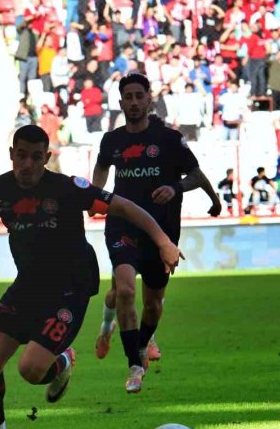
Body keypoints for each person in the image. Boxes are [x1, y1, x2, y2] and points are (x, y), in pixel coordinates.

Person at [0, 125, 182, 429]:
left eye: (36, 157)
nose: (28, 164)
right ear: (11, 155)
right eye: (21, 156)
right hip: (29, 284)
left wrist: (163, 242)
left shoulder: (66, 188)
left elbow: (125, 207)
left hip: (70, 285)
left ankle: (60, 360)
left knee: (31, 371)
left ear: (46, 158)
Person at [92, 74, 221, 393]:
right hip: (122, 226)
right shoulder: (112, 141)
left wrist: (180, 188)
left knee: (153, 305)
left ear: (150, 100)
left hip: (161, 231)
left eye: (139, 96)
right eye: (128, 97)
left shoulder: (169, 139)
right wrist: (92, 197)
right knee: (123, 290)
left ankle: (133, 336)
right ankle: (134, 364)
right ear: (120, 102)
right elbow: (100, 171)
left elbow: (196, 175)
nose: (134, 102)